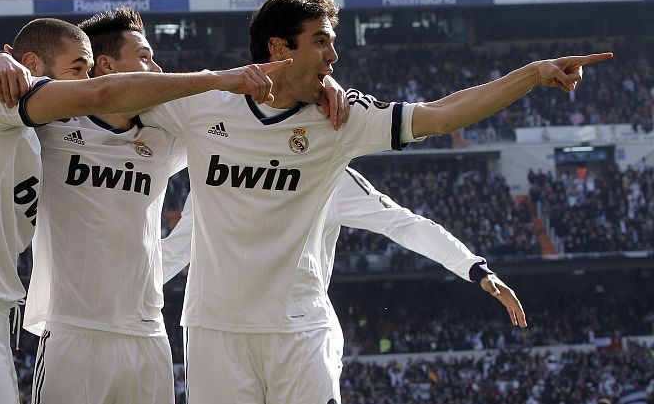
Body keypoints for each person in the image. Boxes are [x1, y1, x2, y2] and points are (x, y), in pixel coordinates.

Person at [138, 0, 611, 404]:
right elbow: (108, 104)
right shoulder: (202, 106)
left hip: (300, 329)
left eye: (332, 42)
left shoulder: (340, 121)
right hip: (214, 329)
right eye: (321, 41)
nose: (333, 55)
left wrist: (532, 74)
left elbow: (441, 115)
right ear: (279, 47)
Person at [0, 8, 348, 404]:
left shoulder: (165, 135)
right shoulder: (52, 128)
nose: (157, 68)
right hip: (73, 334)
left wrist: (322, 89)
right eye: (144, 56)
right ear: (106, 65)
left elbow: (250, 120)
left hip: (148, 337)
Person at [161, 165, 512, 390]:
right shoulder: (217, 166)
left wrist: (472, 267)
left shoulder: (326, 170)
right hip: (221, 333)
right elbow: (176, 250)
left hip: (299, 331)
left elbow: (402, 223)